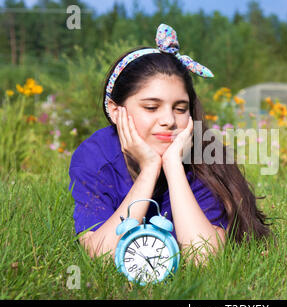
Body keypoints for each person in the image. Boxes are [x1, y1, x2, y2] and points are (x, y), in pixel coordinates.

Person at [68, 24, 270, 262]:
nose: (169, 120)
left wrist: (173, 165)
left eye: (180, 108)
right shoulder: (95, 156)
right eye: (151, 107)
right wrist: (149, 171)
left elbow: (203, 257)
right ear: (114, 110)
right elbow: (101, 255)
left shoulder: (201, 156)